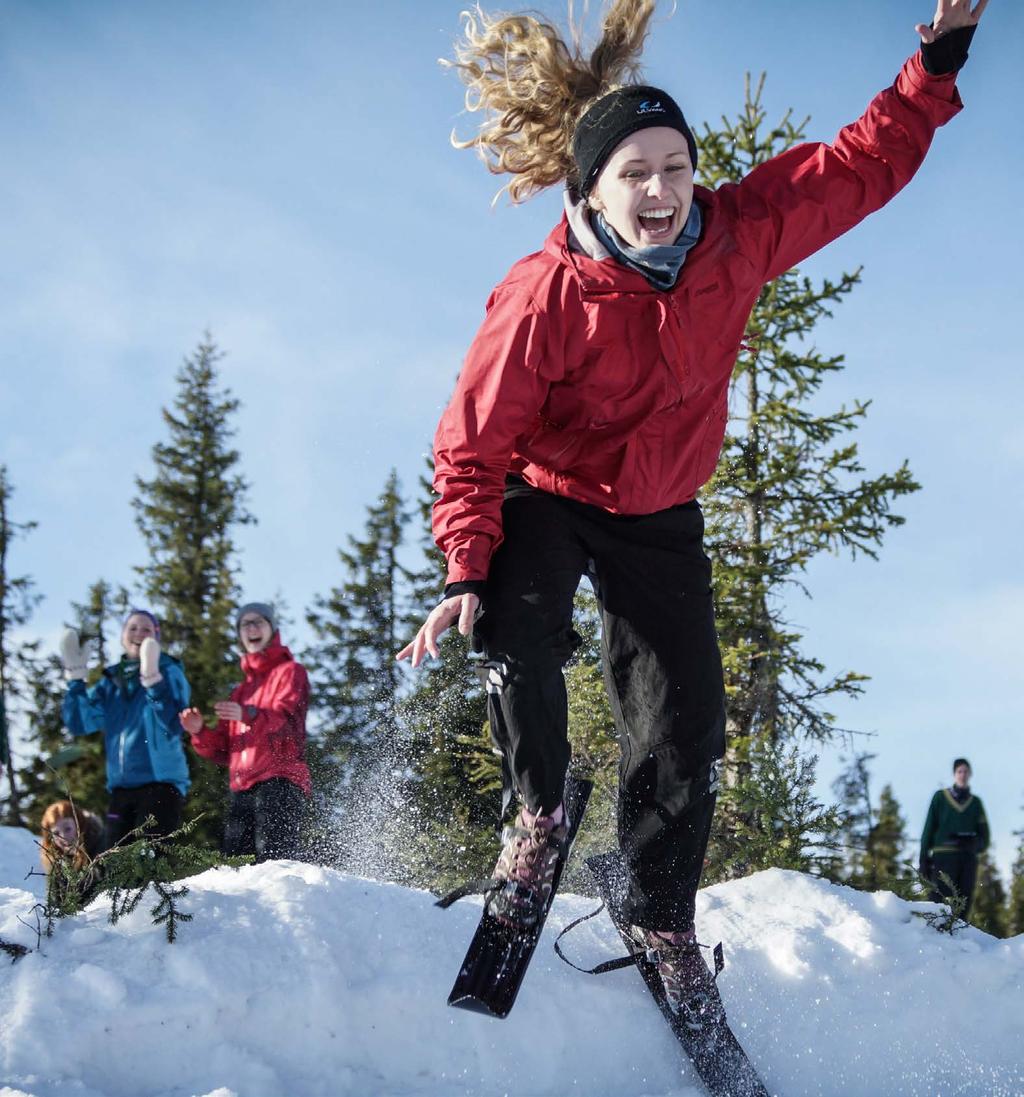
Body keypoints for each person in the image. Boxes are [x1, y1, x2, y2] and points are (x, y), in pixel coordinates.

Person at [397, 0, 989, 1026]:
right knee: (514, 622)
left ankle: (654, 903)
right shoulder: (544, 293)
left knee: (686, 725)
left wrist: (935, 63)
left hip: (660, 508)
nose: (662, 191)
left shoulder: (738, 233)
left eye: (675, 166)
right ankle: (536, 817)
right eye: (636, 173)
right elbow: (474, 439)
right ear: (592, 189)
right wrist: (462, 563)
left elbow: (859, 164)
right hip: (547, 491)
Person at [180, 602, 310, 862]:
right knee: (237, 866)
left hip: (279, 780)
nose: (251, 628)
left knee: (275, 863)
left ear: (272, 629)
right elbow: (225, 749)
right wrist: (200, 732)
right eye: (244, 624)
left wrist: (248, 715)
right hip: (242, 787)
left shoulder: (290, 672)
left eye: (257, 622)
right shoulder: (241, 691)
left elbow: (285, 720)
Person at [61, 609, 191, 848]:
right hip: (121, 788)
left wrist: (153, 682)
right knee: (113, 862)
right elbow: (79, 722)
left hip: (161, 784)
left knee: (151, 860)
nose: (139, 634)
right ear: (122, 636)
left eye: (146, 629)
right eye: (132, 628)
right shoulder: (111, 681)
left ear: (156, 637)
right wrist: (75, 681)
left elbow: (173, 723)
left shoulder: (170, 671)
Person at [919, 757, 990, 917]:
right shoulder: (940, 798)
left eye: (966, 771)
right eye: (960, 771)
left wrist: (974, 844)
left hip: (967, 858)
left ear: (970, 774)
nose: (963, 775)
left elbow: (985, 837)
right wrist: (923, 858)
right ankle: (936, 933)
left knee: (963, 900)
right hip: (943, 856)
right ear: (954, 774)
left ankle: (959, 936)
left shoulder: (975, 803)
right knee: (939, 899)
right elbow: (928, 828)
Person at [39, 799, 105, 902]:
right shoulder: (57, 863)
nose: (64, 837)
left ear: (79, 823)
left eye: (68, 829)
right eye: (56, 833)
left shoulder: (102, 847)